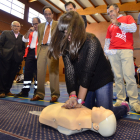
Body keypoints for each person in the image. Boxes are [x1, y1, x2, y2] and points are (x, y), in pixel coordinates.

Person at [48, 11, 129, 120]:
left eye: (70, 30)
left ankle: (124, 107)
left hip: (102, 80)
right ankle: (95, 106)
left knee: (105, 117)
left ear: (78, 28)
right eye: (64, 31)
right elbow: (70, 72)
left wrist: (79, 101)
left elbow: (87, 73)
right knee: (86, 114)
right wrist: (73, 97)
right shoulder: (66, 45)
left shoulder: (91, 41)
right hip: (84, 83)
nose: (67, 34)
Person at [104, 4, 140, 113]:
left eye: (111, 11)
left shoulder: (127, 18)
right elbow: (107, 41)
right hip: (113, 53)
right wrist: (107, 53)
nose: (110, 14)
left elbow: (133, 28)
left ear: (117, 9)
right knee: (118, 77)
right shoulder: (109, 26)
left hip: (126, 50)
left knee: (129, 76)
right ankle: (120, 99)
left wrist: (118, 23)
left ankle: (134, 102)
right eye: (108, 13)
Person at [30, 6, 60, 102]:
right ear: (44, 15)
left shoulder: (58, 24)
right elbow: (38, 38)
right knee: (40, 72)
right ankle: (39, 94)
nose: (47, 16)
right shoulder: (40, 26)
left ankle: (55, 94)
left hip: (53, 48)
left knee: (53, 72)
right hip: (42, 48)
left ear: (52, 14)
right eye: (45, 14)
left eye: (49, 14)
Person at [39, 103, 116, 137]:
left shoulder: (72, 122)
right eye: (105, 109)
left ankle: (124, 108)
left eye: (102, 112)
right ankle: (124, 108)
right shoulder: (89, 112)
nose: (102, 107)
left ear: (96, 126)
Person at [14, 17, 41, 98]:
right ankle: (25, 91)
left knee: (37, 74)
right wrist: (29, 31)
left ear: (39, 23)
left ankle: (37, 92)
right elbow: (24, 39)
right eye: (33, 23)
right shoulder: (31, 32)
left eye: (36, 23)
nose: (34, 25)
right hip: (30, 53)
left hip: (39, 53)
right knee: (27, 73)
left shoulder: (42, 32)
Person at [0, 21, 25, 98]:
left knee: (12, 75)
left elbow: (23, 48)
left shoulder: (22, 37)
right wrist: (2, 54)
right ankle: (1, 91)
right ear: (11, 27)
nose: (16, 27)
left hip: (16, 59)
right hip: (5, 58)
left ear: (20, 28)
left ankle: (7, 90)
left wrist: (21, 56)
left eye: (18, 26)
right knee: (3, 74)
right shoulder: (5, 33)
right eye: (14, 26)